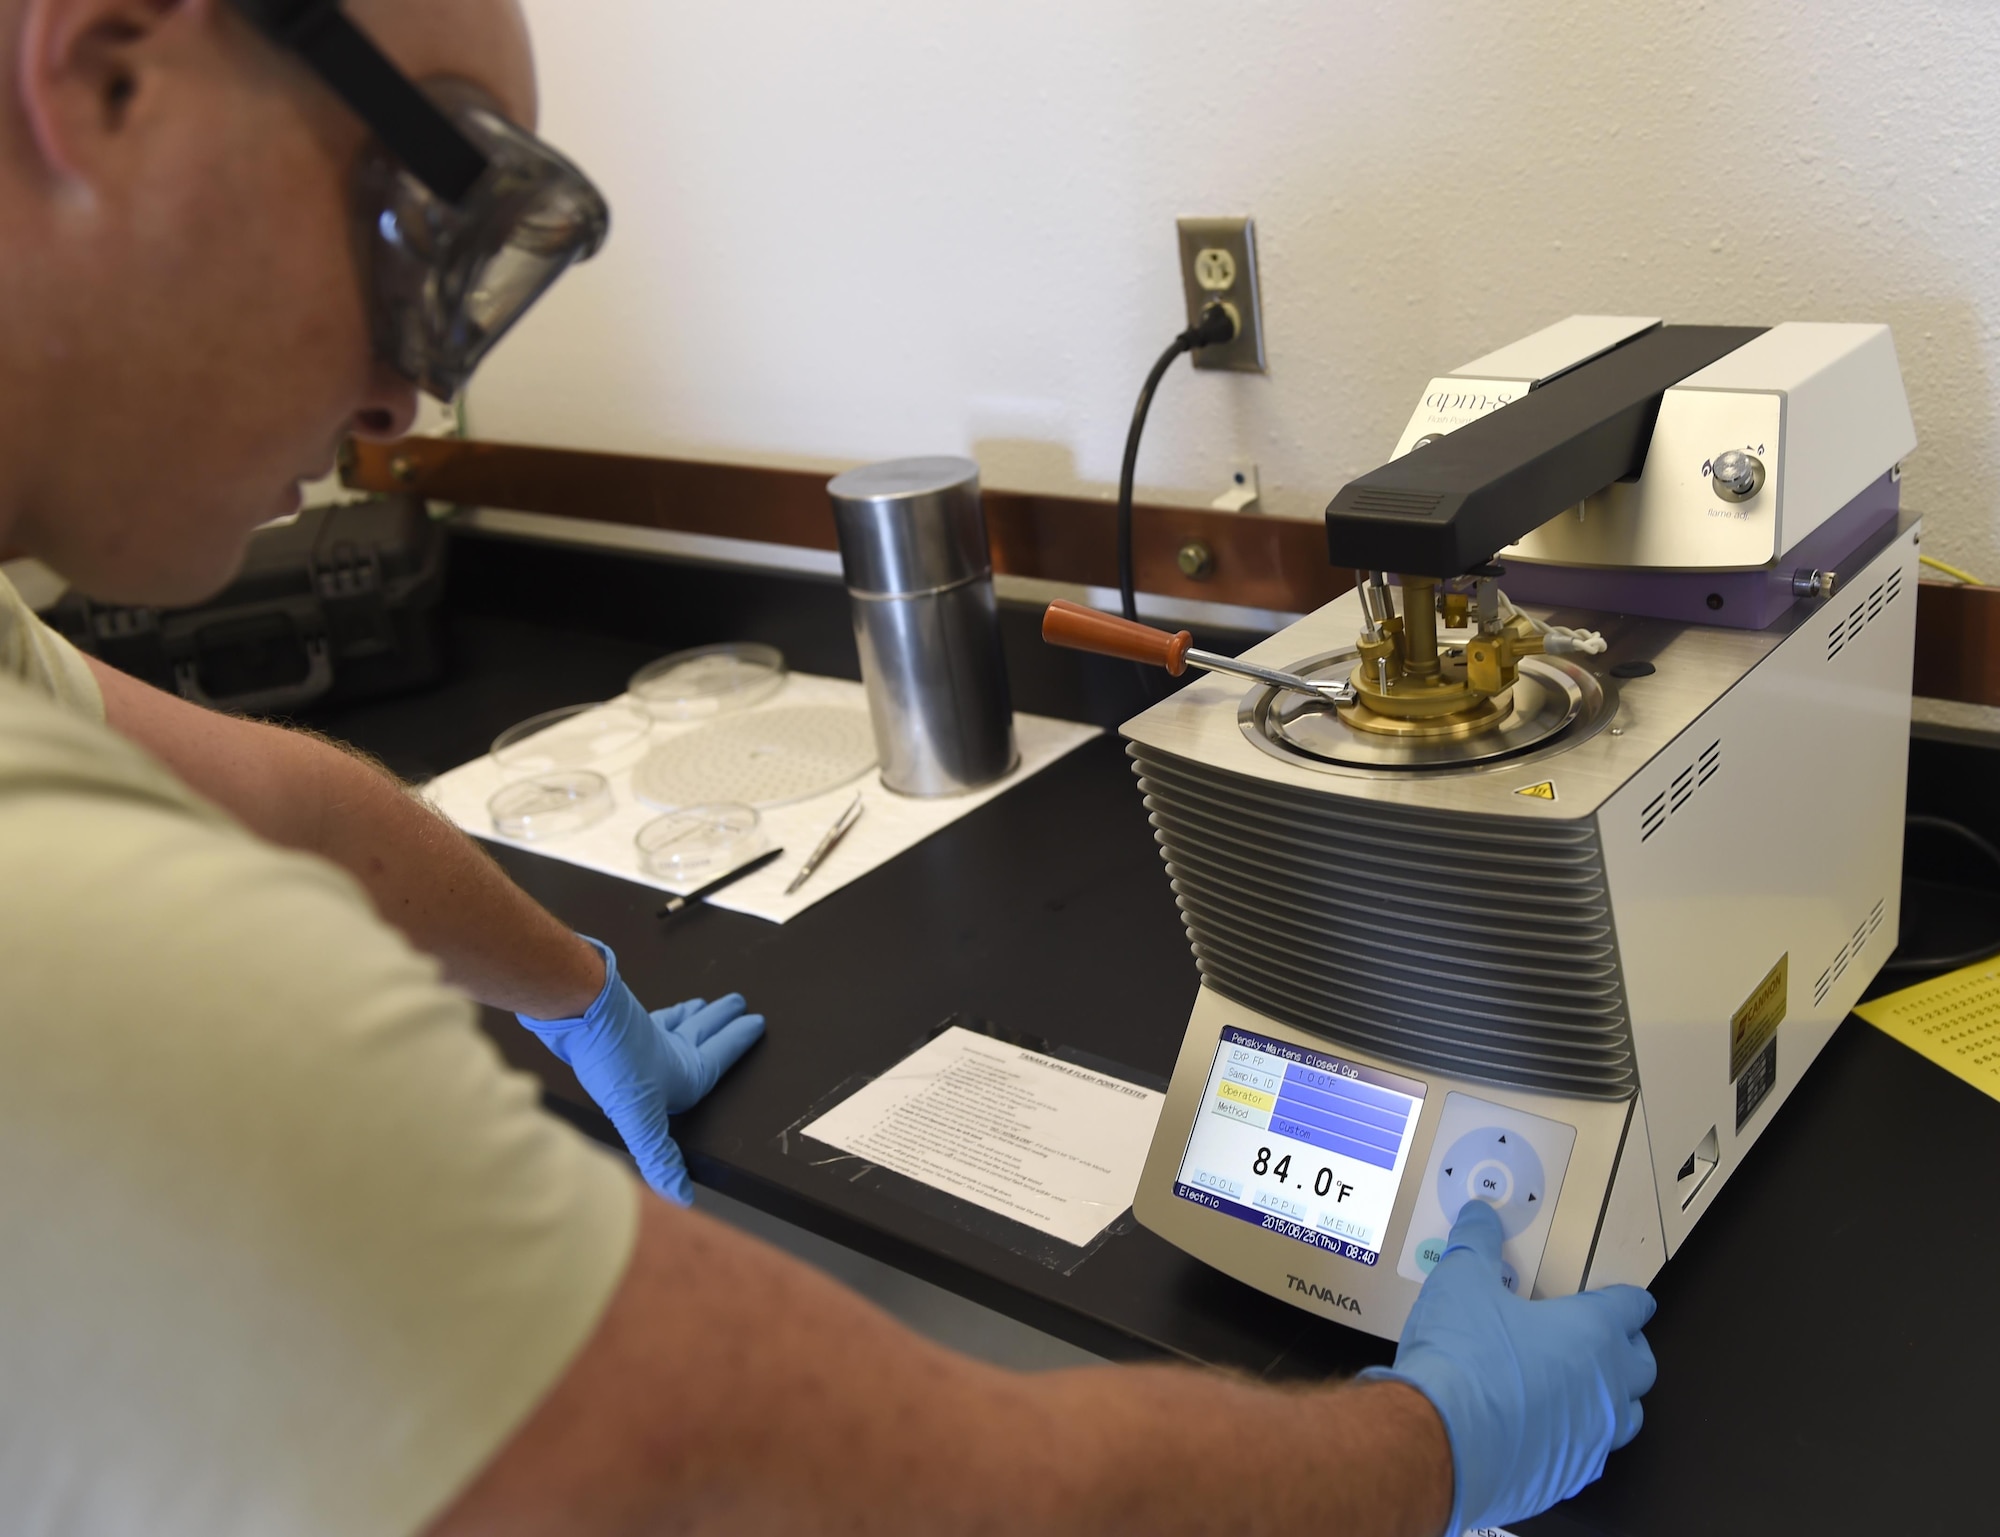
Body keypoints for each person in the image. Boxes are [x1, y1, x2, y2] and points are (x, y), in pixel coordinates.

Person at [0, 2, 1658, 1533]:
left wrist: (583, 994)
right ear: (106, 73)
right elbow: (885, 1491)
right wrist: (1443, 1446)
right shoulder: (77, 938)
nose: (407, 385)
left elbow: (276, 797)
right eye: (420, 235)